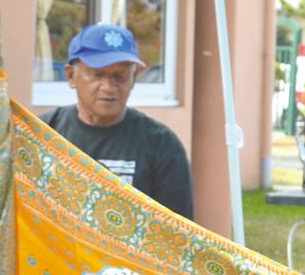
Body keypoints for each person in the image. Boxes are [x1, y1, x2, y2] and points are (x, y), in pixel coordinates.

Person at [43, 24, 194, 219]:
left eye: (119, 76)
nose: (109, 87)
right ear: (71, 76)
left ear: (134, 78)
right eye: (97, 74)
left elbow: (178, 228)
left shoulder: (161, 144)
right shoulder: (43, 133)